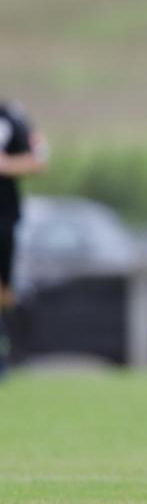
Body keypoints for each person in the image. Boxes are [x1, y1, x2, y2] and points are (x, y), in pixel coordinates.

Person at [0, 100, 48, 377]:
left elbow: (37, 160)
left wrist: (6, 165)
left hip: (4, 218)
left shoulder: (11, 118)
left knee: (5, 291)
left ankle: (8, 351)